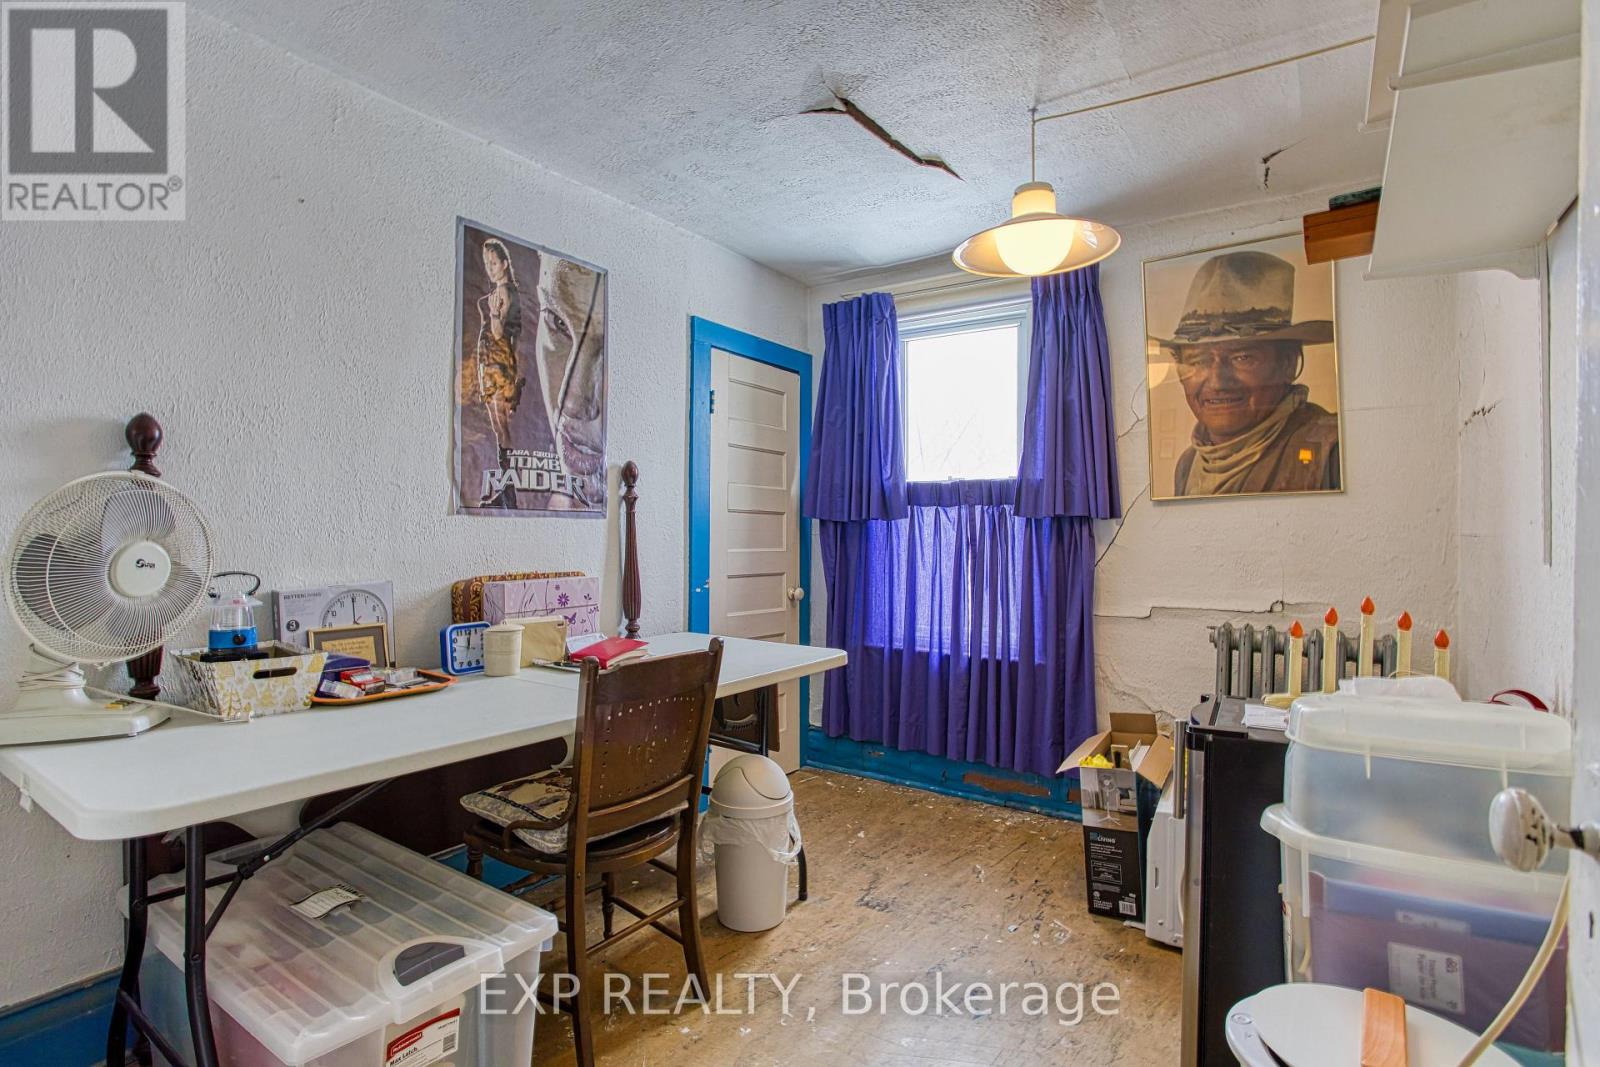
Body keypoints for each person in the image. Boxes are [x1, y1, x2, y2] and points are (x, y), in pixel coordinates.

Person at [1153, 250, 1340, 497]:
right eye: (1199, 361)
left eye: (1242, 358)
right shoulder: (1188, 465)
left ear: (1288, 364)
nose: (1217, 382)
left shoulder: (1330, 449)